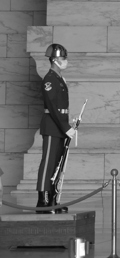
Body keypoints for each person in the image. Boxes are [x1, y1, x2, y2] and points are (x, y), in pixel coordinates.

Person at [36, 43, 79, 212]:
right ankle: (43, 200)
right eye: (63, 58)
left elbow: (61, 108)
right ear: (54, 60)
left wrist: (69, 124)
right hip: (53, 127)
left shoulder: (59, 79)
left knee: (57, 165)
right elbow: (52, 107)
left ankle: (53, 200)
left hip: (60, 128)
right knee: (48, 164)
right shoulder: (50, 79)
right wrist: (64, 127)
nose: (65, 61)